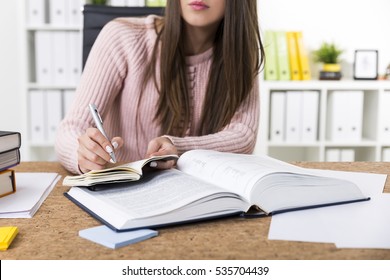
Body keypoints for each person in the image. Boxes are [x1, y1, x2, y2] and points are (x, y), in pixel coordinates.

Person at [55, 0, 264, 174]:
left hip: (193, 193)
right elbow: (71, 128)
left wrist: (178, 148)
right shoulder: (122, 37)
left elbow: (243, 136)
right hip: (122, 189)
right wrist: (83, 154)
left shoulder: (239, 54)